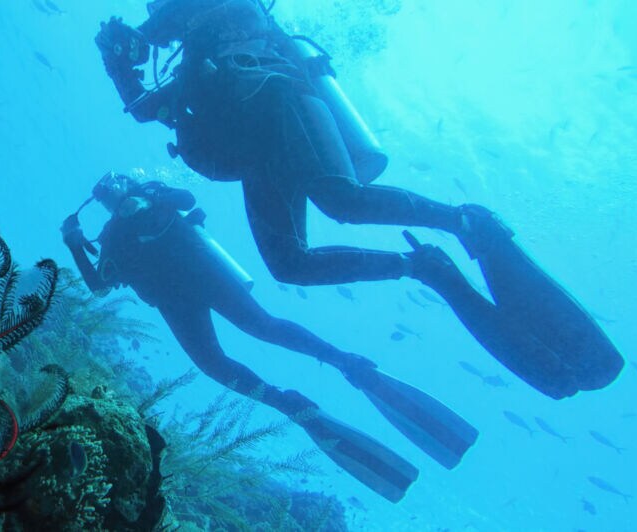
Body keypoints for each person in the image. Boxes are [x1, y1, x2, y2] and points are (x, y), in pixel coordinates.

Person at [93, 0, 623, 399]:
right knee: (290, 265)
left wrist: (141, 35)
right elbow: (144, 109)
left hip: (280, 98)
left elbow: (193, 14)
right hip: (258, 156)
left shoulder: (231, 15)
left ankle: (463, 222)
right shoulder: (191, 62)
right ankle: (423, 269)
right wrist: (119, 67)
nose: (155, 9)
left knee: (343, 201)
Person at [61, 172, 479, 502]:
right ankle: (285, 401)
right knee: (212, 365)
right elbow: (99, 284)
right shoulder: (111, 237)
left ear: (126, 183)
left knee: (263, 326)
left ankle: (346, 362)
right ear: (102, 204)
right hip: (174, 301)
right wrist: (76, 244)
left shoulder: (152, 192)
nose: (113, 195)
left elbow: (187, 200)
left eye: (115, 186)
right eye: (106, 195)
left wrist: (152, 198)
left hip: (204, 272)